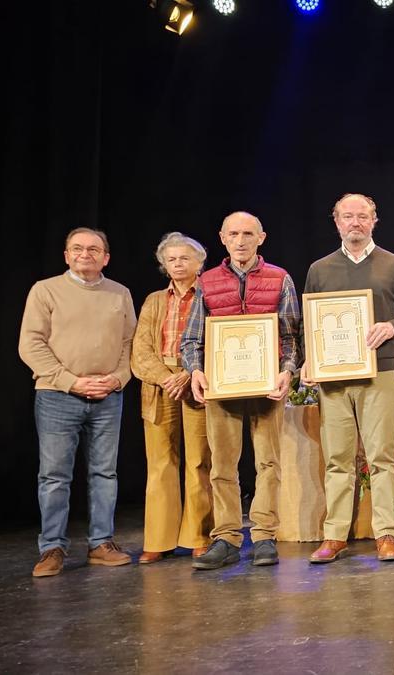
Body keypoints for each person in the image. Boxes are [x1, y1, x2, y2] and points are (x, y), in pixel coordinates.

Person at [302, 193, 394, 564]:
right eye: (348, 216)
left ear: (374, 221)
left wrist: (391, 326)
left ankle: (386, 533)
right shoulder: (319, 269)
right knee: (338, 458)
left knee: (382, 456)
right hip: (335, 379)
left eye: (363, 216)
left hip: (381, 373)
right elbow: (312, 323)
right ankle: (335, 535)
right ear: (336, 222)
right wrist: (310, 360)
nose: (355, 222)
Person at [182, 212, 300, 570]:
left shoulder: (280, 279)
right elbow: (191, 339)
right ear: (222, 237)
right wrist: (196, 371)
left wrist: (287, 372)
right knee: (222, 465)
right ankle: (228, 537)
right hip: (222, 386)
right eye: (234, 234)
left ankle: (264, 536)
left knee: (269, 463)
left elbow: (291, 336)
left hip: (266, 388)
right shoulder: (207, 280)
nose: (241, 240)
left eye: (248, 233)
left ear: (261, 237)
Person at [19, 227, 137, 577]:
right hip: (57, 395)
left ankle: (101, 543)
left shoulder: (119, 293)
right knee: (54, 476)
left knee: (105, 472)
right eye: (77, 248)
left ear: (106, 257)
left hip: (107, 396)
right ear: (67, 255)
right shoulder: (46, 290)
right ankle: (52, 548)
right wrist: (72, 382)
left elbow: (129, 343)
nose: (85, 254)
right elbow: (32, 344)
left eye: (94, 249)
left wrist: (118, 378)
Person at [130, 232, 213, 563]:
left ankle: (200, 535)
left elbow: (219, 339)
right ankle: (158, 539)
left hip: (197, 381)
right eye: (171, 259)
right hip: (159, 386)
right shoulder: (153, 300)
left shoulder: (209, 294)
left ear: (199, 262)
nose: (178, 264)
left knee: (199, 462)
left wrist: (189, 374)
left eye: (185, 258)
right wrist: (167, 379)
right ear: (164, 264)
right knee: (161, 463)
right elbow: (140, 350)